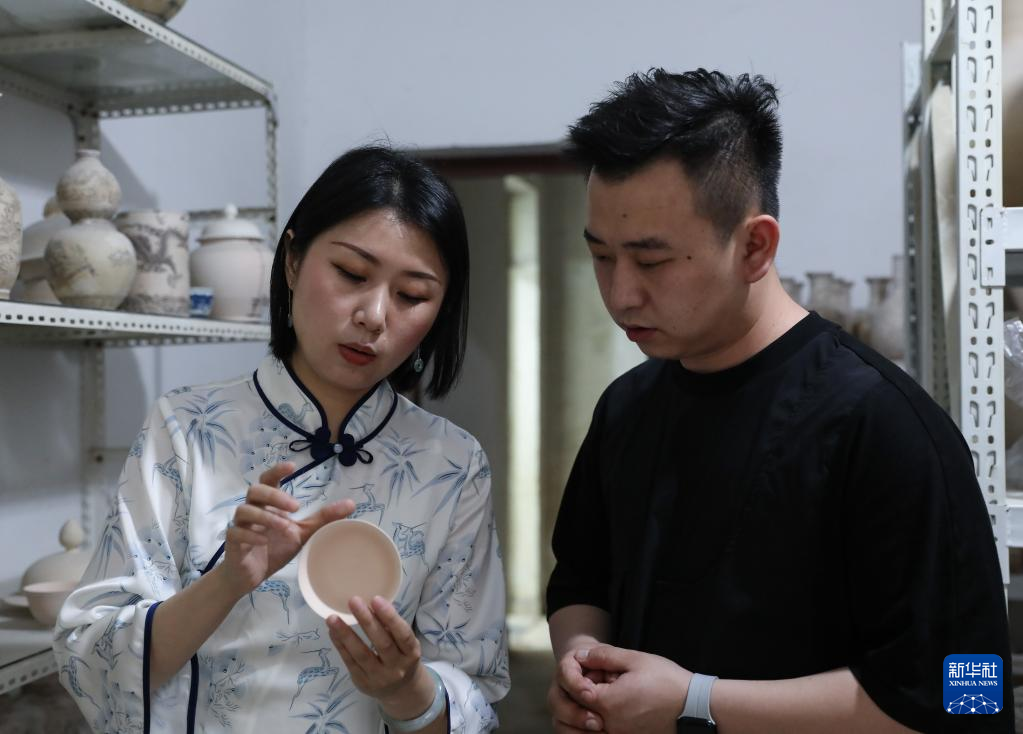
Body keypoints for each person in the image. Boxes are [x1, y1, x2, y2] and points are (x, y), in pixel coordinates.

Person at [545, 69, 1013, 733]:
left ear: (755, 246)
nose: (620, 295)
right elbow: (581, 580)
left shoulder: (884, 426)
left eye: (651, 262)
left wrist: (694, 702)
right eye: (600, 256)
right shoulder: (626, 408)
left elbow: (967, 694)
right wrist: (581, 663)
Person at [54, 145, 509, 733]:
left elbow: (474, 689)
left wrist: (406, 691)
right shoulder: (185, 427)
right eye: (352, 274)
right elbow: (92, 662)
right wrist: (228, 581)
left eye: (412, 296)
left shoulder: (452, 464)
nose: (374, 315)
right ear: (292, 261)